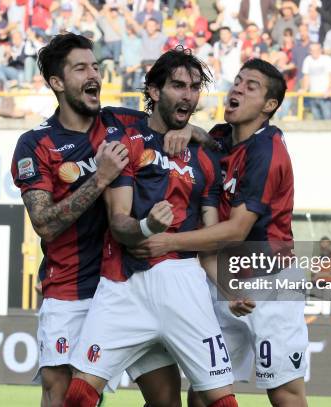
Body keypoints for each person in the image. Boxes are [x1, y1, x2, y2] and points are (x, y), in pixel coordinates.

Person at [11, 33, 194, 407]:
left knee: (166, 399)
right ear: (57, 83)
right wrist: (101, 177)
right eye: (81, 68)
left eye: (95, 66)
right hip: (70, 291)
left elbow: (174, 123)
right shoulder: (36, 144)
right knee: (64, 399)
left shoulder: (124, 122)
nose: (94, 73)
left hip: (130, 288)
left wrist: (187, 129)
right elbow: (44, 223)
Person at [64, 47, 238, 407]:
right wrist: (148, 226)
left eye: (193, 87)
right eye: (177, 85)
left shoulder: (205, 158)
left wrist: (230, 290)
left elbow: (209, 241)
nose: (187, 95)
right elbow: (119, 223)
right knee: (78, 395)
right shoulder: (127, 143)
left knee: (221, 401)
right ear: (155, 92)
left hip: (184, 284)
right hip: (124, 283)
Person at [133, 59, 309, 407]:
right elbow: (207, 140)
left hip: (269, 284)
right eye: (238, 81)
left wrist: (169, 241)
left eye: (252, 86)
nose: (238, 88)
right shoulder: (218, 138)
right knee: (204, 391)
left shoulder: (268, 152)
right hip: (222, 283)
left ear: (269, 106)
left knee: (284, 392)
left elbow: (237, 229)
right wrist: (195, 132)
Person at [301, 41, 331, 119]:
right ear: (309, 51)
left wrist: (329, 89)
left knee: (328, 120)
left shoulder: (327, 59)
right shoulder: (307, 60)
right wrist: (304, 89)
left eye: (316, 50)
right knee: (316, 122)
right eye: (312, 50)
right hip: (313, 96)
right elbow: (306, 77)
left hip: (326, 96)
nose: (314, 52)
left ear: (321, 50)